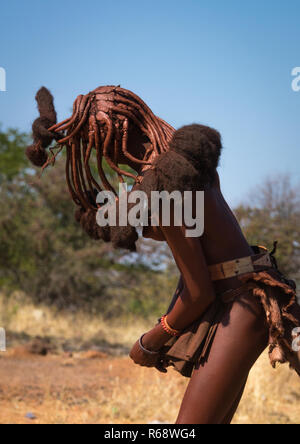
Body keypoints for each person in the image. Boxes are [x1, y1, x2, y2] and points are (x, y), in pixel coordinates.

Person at [26, 85, 300, 424]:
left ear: (122, 130)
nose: (98, 150)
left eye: (96, 139)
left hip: (242, 304)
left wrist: (151, 340)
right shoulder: (184, 161)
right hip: (245, 294)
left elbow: (199, 292)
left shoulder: (166, 186)